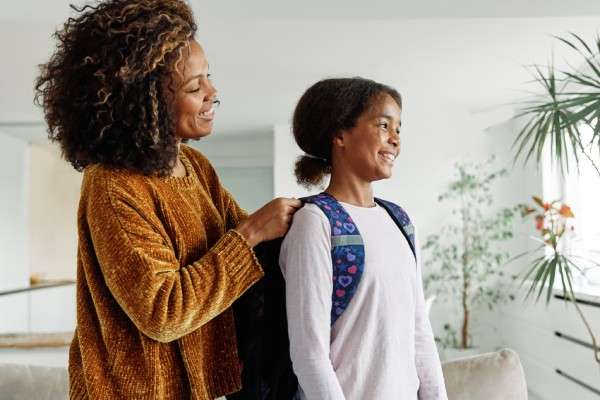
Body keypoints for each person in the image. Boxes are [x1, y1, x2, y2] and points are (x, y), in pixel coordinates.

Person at [34, 1, 300, 399]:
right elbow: (163, 311)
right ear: (147, 103)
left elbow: (257, 255)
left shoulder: (194, 165)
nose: (212, 93)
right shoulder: (112, 185)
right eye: (195, 87)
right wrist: (251, 232)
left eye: (208, 78)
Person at [279, 78, 448, 399]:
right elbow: (309, 355)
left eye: (399, 128)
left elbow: (419, 332)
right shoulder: (315, 222)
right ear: (340, 134)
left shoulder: (400, 220)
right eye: (384, 125)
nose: (395, 139)